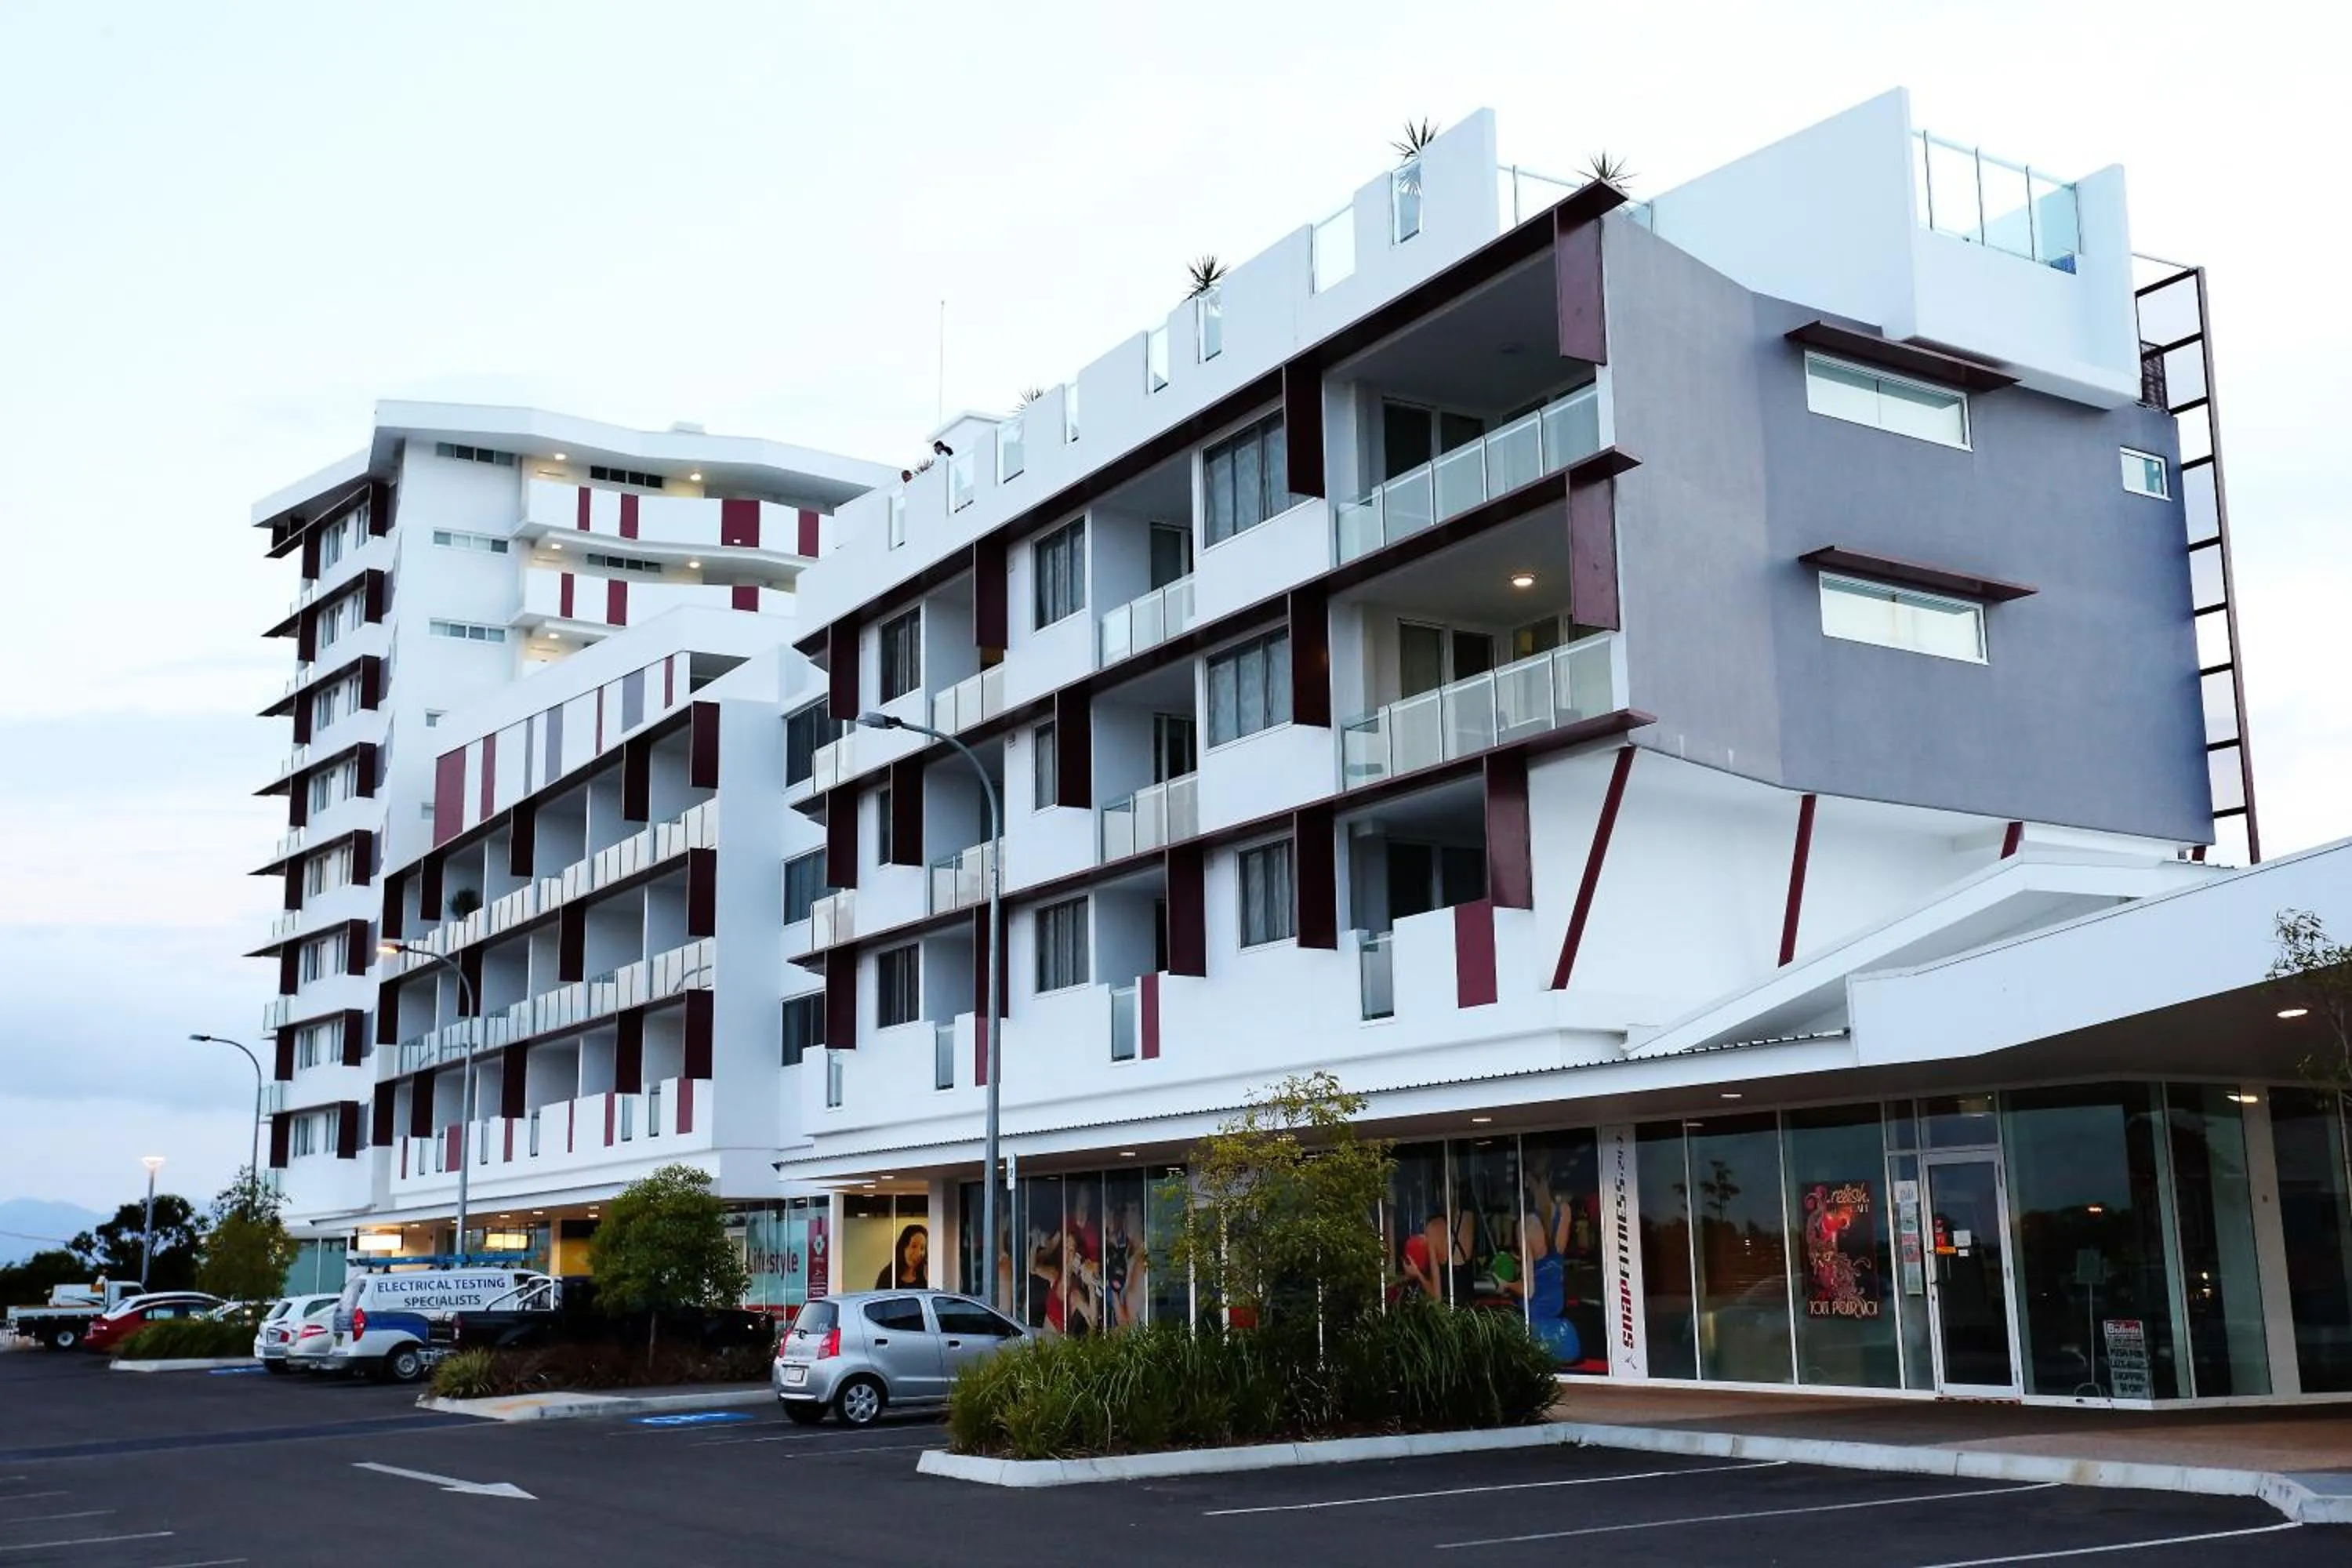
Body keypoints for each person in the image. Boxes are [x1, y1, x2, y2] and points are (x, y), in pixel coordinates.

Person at [874, 1223, 928, 1290]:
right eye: (914, 1246)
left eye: (922, 1248)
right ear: (903, 1248)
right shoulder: (887, 1276)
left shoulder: (925, 1276)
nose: (918, 1253)